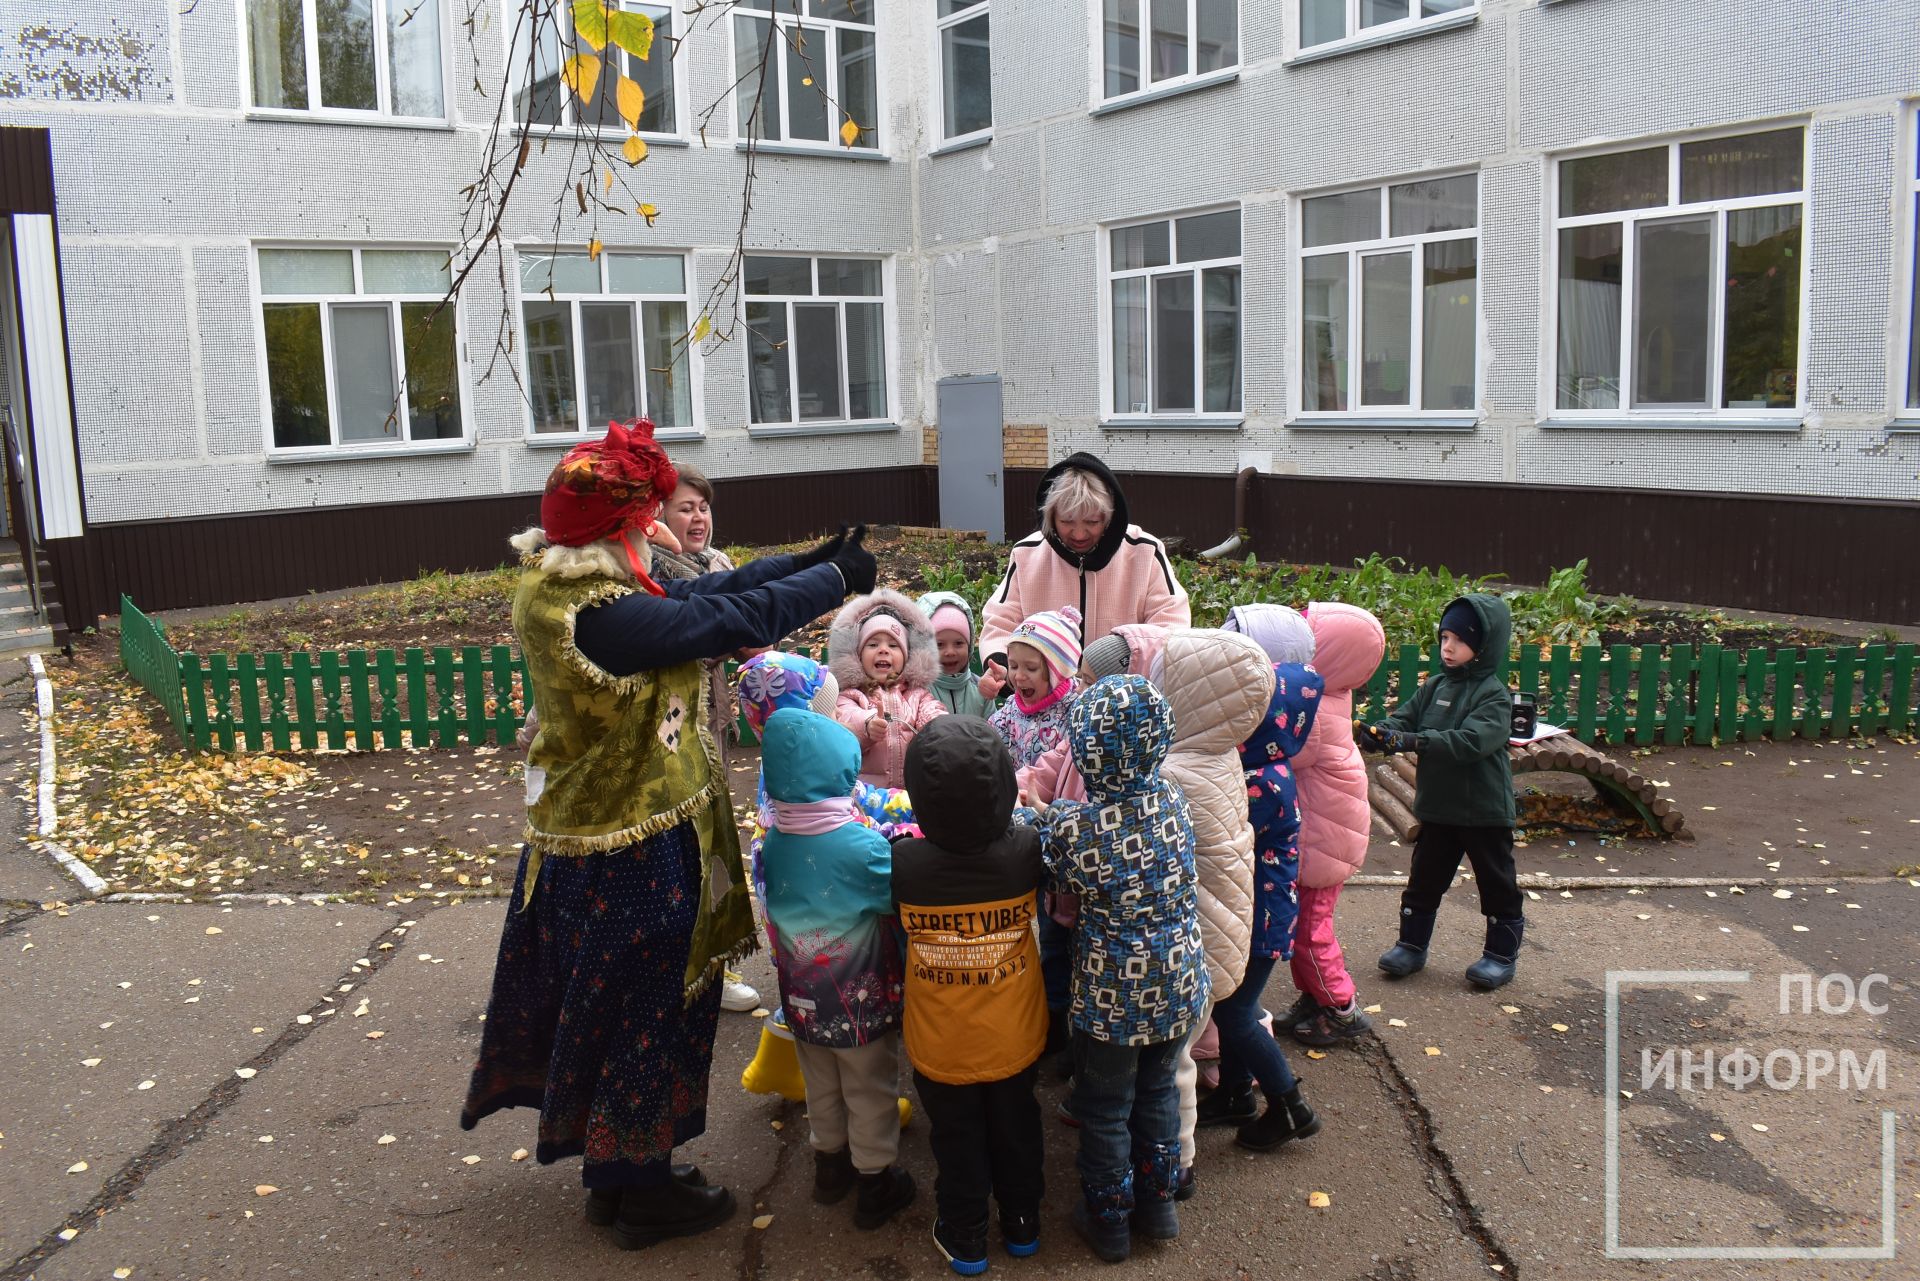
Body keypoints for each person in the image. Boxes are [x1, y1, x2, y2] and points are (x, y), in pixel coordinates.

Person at [460, 420, 876, 1252]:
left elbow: (705, 595)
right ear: (611, 529)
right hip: (625, 852)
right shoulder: (596, 615)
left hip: (619, 838)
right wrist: (832, 580)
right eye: (641, 517)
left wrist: (807, 560)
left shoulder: (585, 583)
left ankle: (622, 1174)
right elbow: (714, 624)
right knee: (641, 1010)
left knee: (632, 1010)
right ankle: (640, 1192)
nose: (655, 528)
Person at [1025, 675, 1208, 1264]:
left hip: (1114, 1000)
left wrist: (1042, 816)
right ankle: (1158, 1207)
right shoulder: (1173, 800)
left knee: (1105, 1107)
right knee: (1156, 1091)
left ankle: (1107, 1221)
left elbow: (1054, 871)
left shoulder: (1084, 830)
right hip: (1180, 984)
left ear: (1087, 751)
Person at [893, 717, 1048, 1275]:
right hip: (1015, 1033)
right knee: (1018, 1126)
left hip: (941, 1044)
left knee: (956, 1140)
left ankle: (966, 1235)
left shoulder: (904, 864)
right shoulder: (1024, 851)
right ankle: (1023, 1222)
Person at [759, 707, 918, 1230]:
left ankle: (829, 1166)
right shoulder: (862, 846)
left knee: (820, 1083)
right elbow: (891, 899)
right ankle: (875, 1181)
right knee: (869, 1086)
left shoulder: (775, 841)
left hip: (801, 998)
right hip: (859, 998)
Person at [1153, 629, 1276, 1184]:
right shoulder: (1217, 755)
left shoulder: (1175, 773)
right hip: (1221, 937)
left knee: (1169, 1063)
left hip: (1192, 946)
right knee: (1174, 1057)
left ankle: (1176, 1165)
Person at [1204, 607, 1325, 1150]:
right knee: (1229, 1001)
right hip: (1255, 909)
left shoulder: (1258, 779)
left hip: (1259, 916)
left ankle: (1290, 1105)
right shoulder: (1264, 761)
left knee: (1235, 1011)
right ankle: (1234, 1094)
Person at [1364, 594, 1522, 991]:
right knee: (1424, 879)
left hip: (1484, 811)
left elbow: (1469, 741)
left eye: (1459, 640)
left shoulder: (1494, 695)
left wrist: (1413, 740)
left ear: (1484, 646)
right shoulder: (1435, 686)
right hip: (1438, 808)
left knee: (1496, 881)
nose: (1447, 647)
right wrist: (1382, 732)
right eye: (1444, 637)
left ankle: (1500, 954)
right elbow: (1403, 718)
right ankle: (1411, 945)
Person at [977, 454, 1189, 687]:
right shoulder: (1027, 554)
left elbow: (1171, 626)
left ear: (1109, 518)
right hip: (1046, 699)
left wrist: (1124, 657)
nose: (1079, 534)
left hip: (1123, 698)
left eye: (1092, 522)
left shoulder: (1144, 551)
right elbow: (1001, 622)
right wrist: (1000, 664)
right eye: (1067, 522)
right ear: (1051, 516)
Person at [1275, 602, 1386, 1046]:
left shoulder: (1315, 708)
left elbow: (1287, 752)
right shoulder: (1327, 692)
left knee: (1310, 932)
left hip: (1324, 843)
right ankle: (1314, 999)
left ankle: (1341, 1009)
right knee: (1302, 925)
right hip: (1322, 835)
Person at [829, 589, 948, 788]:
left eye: (893, 646)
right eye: (873, 644)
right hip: (866, 796)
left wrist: (941, 727)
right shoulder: (850, 696)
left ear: (907, 657)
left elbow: (932, 713)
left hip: (911, 795)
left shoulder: (917, 696)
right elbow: (845, 719)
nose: (883, 649)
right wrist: (866, 725)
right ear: (857, 656)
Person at [988, 606, 1083, 770]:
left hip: (1052, 794)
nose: (1018, 676)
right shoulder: (1011, 708)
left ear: (1058, 672)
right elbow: (990, 738)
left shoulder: (1073, 713)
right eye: (1013, 666)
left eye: (1031, 668)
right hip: (1016, 792)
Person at [917, 590, 1002, 716]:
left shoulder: (981, 688)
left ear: (969, 646)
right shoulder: (918, 690)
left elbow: (993, 729)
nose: (950, 652)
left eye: (958, 643)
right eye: (939, 645)